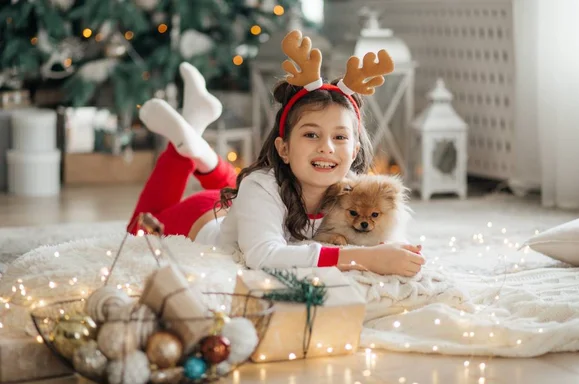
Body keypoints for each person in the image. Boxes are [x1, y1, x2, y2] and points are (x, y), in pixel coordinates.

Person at [127, 30, 425, 277]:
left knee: (242, 186)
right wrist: (367, 259)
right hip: (197, 219)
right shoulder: (261, 186)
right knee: (137, 229)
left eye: (340, 137)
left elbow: (384, 228)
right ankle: (185, 147)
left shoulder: (355, 192)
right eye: (311, 134)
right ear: (283, 147)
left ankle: (196, 136)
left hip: (233, 201)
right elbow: (262, 255)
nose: (327, 147)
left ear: (355, 150)